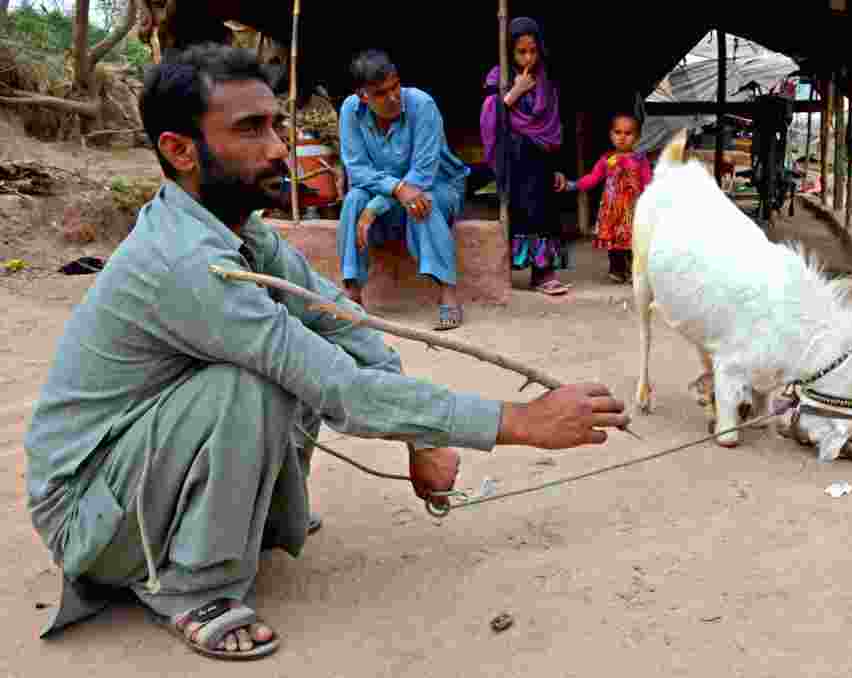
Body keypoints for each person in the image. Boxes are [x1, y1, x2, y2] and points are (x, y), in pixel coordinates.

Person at [23, 43, 629, 661]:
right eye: (250, 130)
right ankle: (190, 587)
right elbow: (335, 384)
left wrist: (420, 438)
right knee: (253, 378)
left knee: (294, 346)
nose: (279, 149)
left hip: (132, 476)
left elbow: (342, 321)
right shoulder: (184, 262)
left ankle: (243, 518)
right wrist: (519, 421)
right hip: (89, 513)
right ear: (180, 151)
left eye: (275, 126)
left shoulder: (239, 231)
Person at [337, 50, 467, 330]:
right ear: (363, 96)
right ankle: (352, 292)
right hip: (388, 191)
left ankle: (448, 293)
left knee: (422, 201)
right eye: (381, 93)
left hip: (438, 187)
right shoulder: (350, 110)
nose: (393, 97)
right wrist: (395, 189)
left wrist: (376, 206)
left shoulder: (422, 105)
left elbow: (423, 174)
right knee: (354, 198)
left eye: (395, 86)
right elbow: (357, 170)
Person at [480, 16, 571, 296]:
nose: (528, 57)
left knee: (546, 213)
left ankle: (543, 273)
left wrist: (558, 167)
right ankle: (524, 271)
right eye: (521, 52)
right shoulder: (499, 77)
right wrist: (515, 92)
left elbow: (554, 126)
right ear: (510, 51)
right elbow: (490, 115)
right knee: (524, 213)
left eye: (533, 50)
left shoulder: (546, 80)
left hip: (542, 158)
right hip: (516, 158)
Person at [555, 114, 652, 284]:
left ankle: (634, 271)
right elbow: (592, 178)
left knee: (634, 242)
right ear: (611, 135)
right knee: (613, 244)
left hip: (633, 211)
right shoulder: (606, 160)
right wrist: (572, 185)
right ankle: (617, 270)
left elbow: (648, 183)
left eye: (628, 133)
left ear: (637, 137)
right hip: (612, 212)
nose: (622, 137)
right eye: (618, 132)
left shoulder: (640, 160)